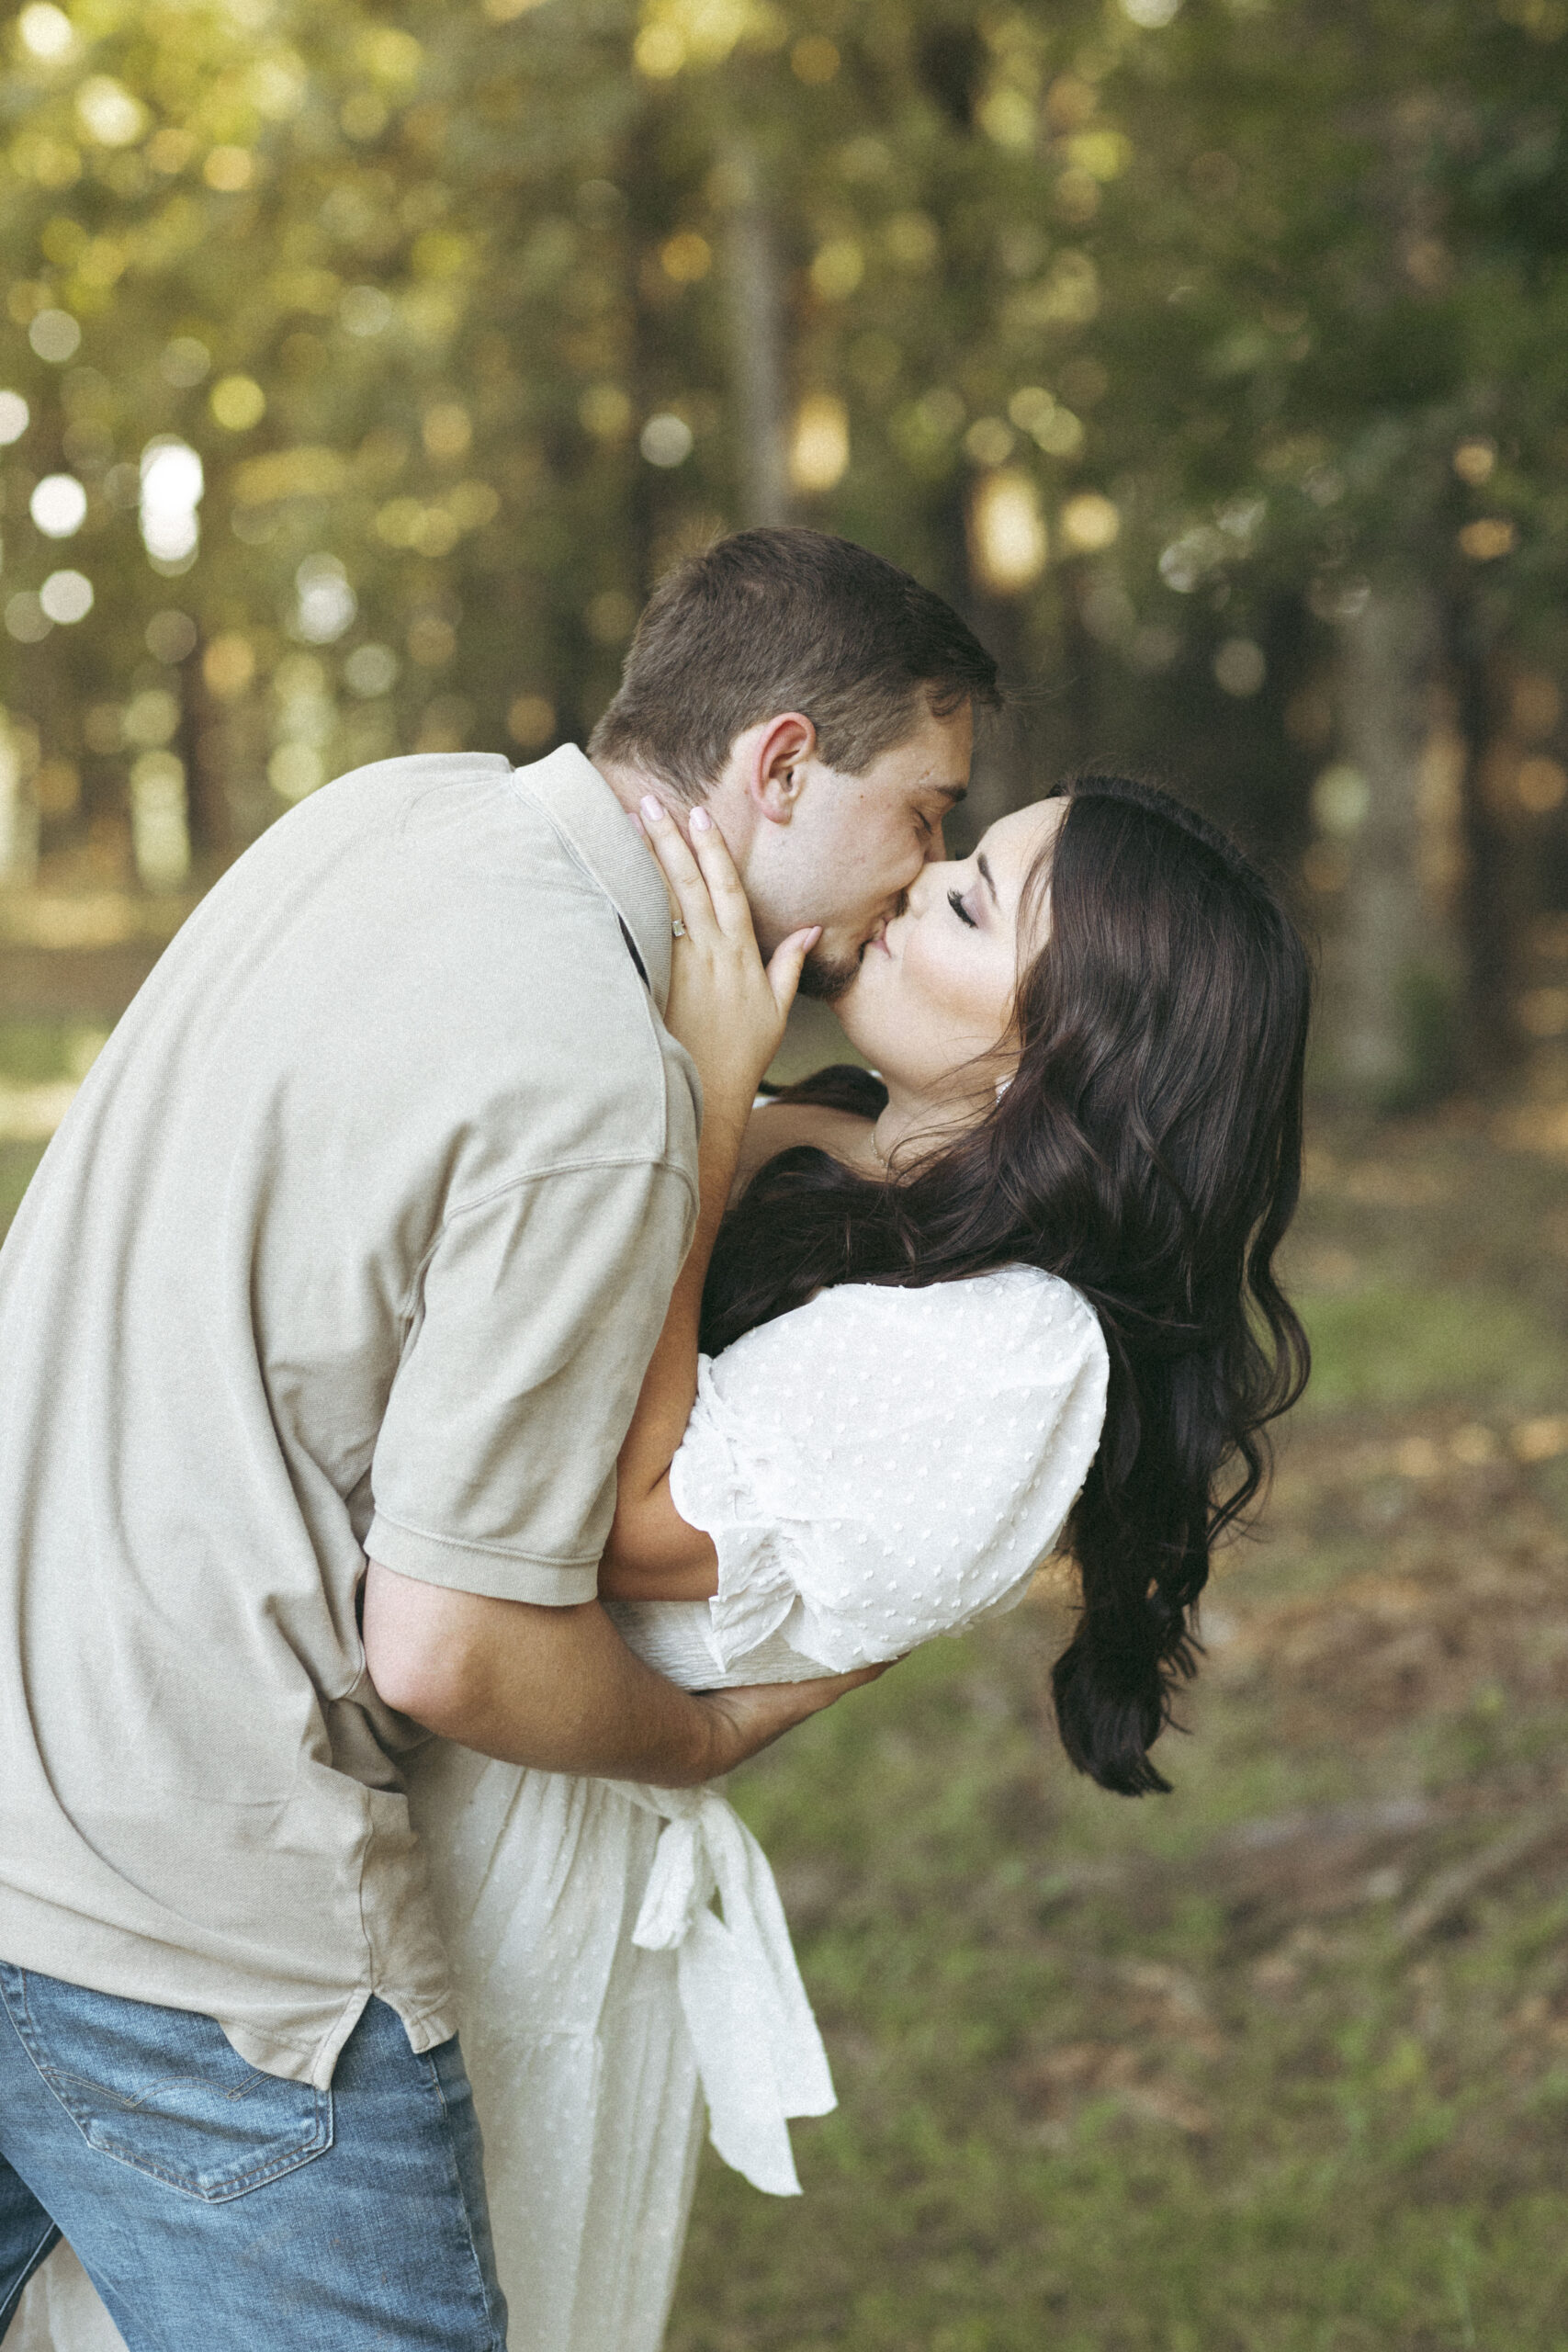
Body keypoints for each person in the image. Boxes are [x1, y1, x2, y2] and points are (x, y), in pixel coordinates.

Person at [19, 763, 1310, 2352]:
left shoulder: (1014, 1354)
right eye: (954, 850)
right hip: (279, 1788)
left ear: (1084, 1053)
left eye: (970, 900)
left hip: (497, 1880)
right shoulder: (827, 1143)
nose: (916, 885)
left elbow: (612, 1525)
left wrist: (691, 1102)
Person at [0, 528, 998, 2352]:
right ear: (779, 764)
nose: (922, 866)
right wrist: (694, 1737)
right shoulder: (597, 1089)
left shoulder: (390, 814)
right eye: (923, 813)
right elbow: (452, 1642)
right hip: (185, 1917)